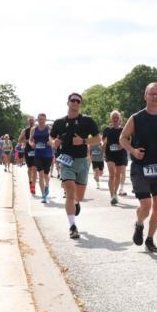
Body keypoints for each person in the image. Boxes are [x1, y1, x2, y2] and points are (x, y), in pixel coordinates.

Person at [120, 82, 157, 252]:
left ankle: (150, 239)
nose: (154, 97)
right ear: (145, 96)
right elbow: (123, 138)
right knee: (146, 205)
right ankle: (139, 224)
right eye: (151, 94)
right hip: (140, 167)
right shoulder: (136, 118)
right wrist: (133, 151)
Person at [51, 93, 101, 239]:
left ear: (80, 104)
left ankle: (76, 203)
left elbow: (98, 138)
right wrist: (54, 142)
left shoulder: (87, 121)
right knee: (70, 191)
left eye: (77, 101)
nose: (75, 103)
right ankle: (72, 226)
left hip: (82, 162)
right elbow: (52, 136)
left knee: (78, 196)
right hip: (66, 161)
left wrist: (84, 141)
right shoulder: (59, 122)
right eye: (72, 100)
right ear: (68, 103)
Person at [103, 111, 127, 205]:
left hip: (120, 154)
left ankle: (115, 193)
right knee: (112, 174)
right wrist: (104, 144)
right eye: (113, 117)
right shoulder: (107, 130)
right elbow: (103, 144)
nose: (115, 119)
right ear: (111, 119)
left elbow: (128, 140)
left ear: (120, 119)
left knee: (118, 175)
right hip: (110, 154)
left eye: (117, 117)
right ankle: (112, 195)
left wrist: (123, 145)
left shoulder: (123, 130)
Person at [30, 113, 54, 202]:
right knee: (40, 173)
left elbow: (52, 138)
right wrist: (31, 143)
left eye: (43, 119)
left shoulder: (49, 129)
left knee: (46, 175)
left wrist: (50, 142)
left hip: (47, 154)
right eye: (40, 119)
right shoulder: (34, 129)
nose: (41, 121)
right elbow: (30, 139)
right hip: (37, 153)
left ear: (45, 120)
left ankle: (47, 185)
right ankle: (43, 195)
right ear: (37, 120)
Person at [19, 116, 38, 195]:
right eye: (30, 121)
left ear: (34, 121)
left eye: (32, 121)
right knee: (30, 168)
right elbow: (19, 140)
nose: (31, 122)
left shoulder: (37, 130)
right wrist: (28, 140)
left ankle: (33, 186)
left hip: (36, 151)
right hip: (28, 151)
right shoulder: (25, 130)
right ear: (28, 122)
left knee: (34, 168)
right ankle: (30, 181)